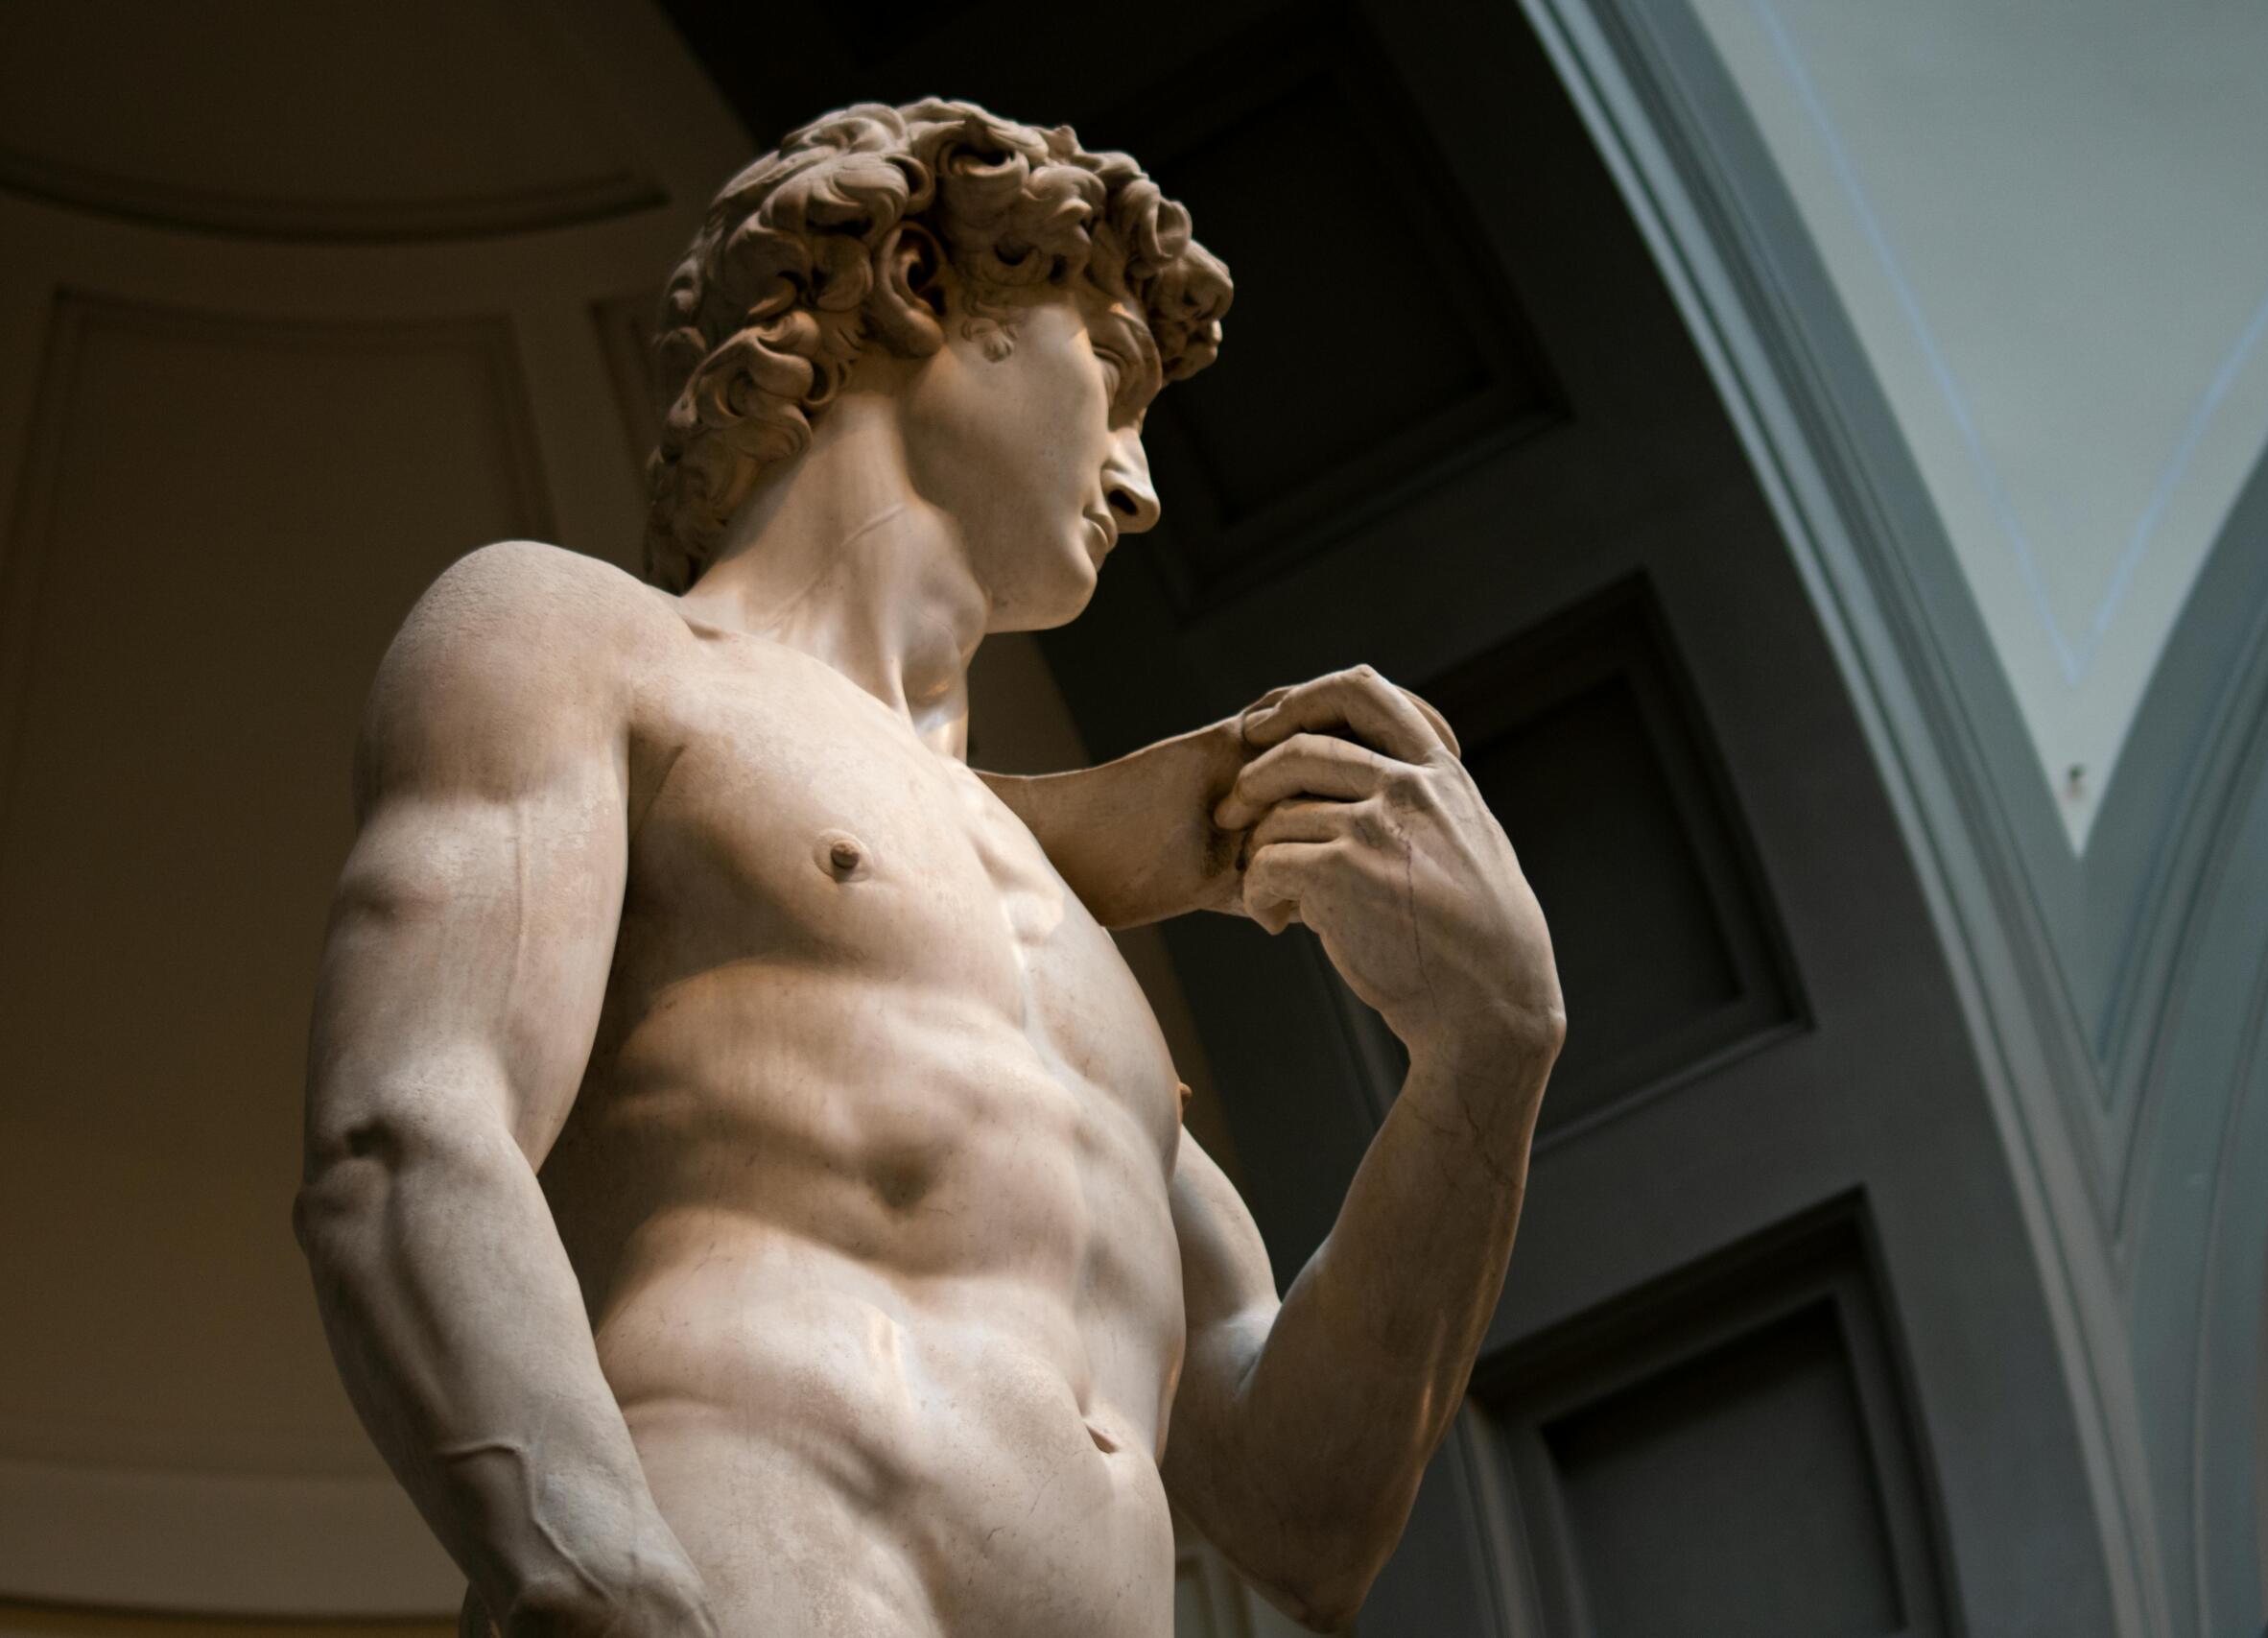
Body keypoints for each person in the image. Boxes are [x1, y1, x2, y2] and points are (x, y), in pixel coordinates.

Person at [296, 100, 1564, 1638]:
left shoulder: (1073, 953)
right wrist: (597, 1577)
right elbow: (413, 1132)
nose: (1142, 481)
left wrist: (1487, 1063)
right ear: (914, 278)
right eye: (1112, 374)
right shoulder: (584, 645)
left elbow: (1305, 1518)